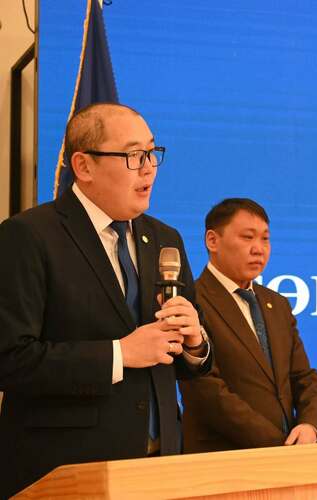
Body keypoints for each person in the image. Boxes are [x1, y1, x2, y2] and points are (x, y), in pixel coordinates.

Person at [0, 103, 212, 497]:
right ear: (84, 166)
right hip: (66, 470)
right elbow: (10, 359)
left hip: (160, 466)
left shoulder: (164, 239)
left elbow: (182, 364)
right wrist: (119, 354)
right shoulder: (29, 236)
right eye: (134, 155)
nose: (149, 168)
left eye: (152, 152)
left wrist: (196, 342)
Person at [179, 198, 317, 452]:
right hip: (223, 458)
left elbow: (303, 377)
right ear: (212, 241)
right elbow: (206, 390)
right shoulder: (190, 302)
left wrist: (309, 426)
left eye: (265, 239)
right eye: (247, 237)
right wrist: (278, 444)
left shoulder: (277, 304)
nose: (259, 249)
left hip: (289, 458)